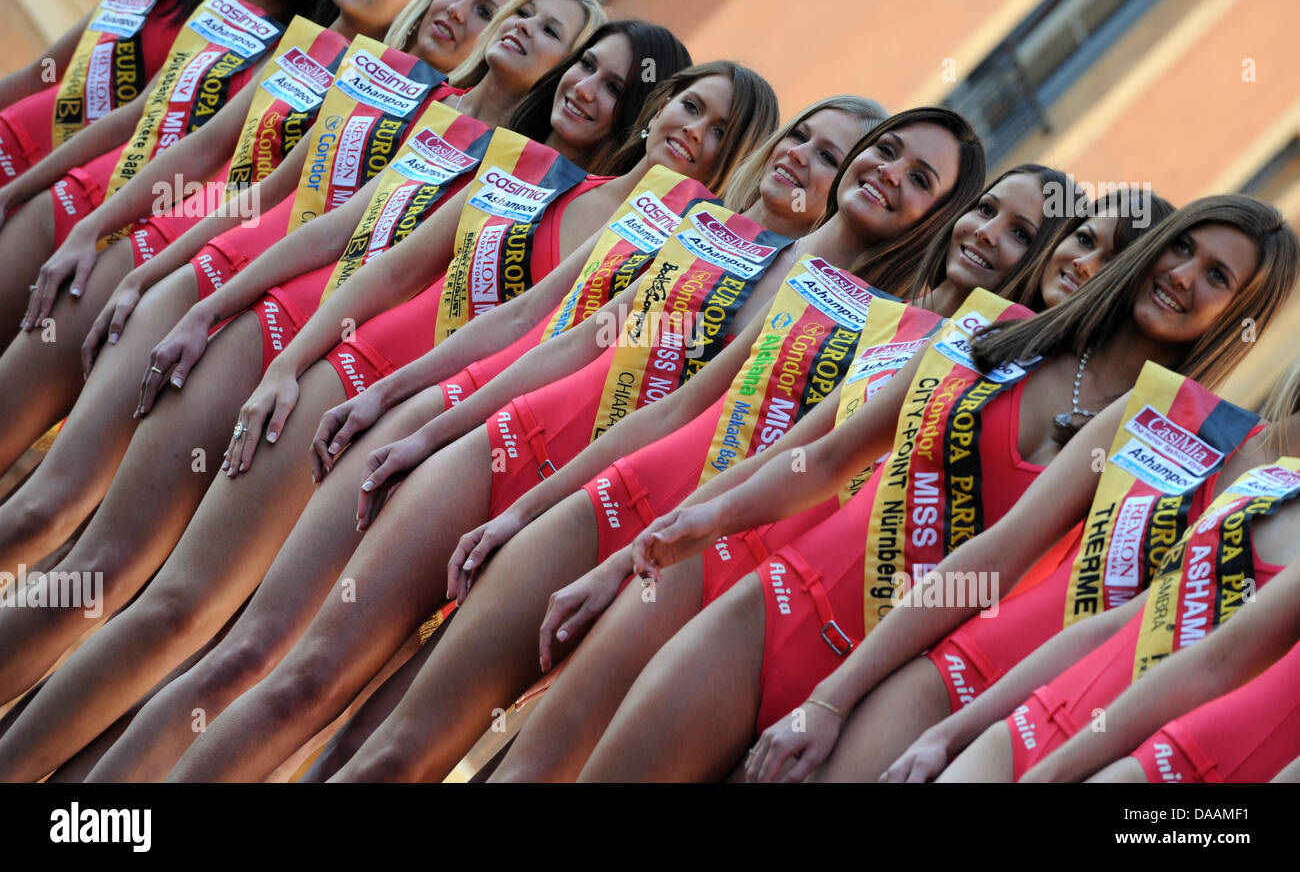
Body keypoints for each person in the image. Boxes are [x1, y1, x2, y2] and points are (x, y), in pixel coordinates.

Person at [160, 105, 984, 782]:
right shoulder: (716, 234)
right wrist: (434, 425)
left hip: (654, 556)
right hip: (535, 465)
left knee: (400, 752)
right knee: (301, 679)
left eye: (920, 179)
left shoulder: (895, 345)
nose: (884, 173)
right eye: (883, 152)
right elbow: (569, 340)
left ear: (937, 217)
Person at [49, 65, 787, 782]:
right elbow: (524, 323)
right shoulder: (603, 202)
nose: (693, 129)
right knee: (242, 649)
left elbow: (677, 412)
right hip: (447, 430)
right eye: (688, 106)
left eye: (720, 129)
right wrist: (391, 403)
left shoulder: (753, 281)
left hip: (572, 519)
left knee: (372, 743)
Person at [324, 163, 1094, 782]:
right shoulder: (847, 300)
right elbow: (689, 408)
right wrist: (545, 517)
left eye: (1021, 231)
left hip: (782, 610)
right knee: (403, 740)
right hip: (672, 532)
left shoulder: (1008, 389)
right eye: (987, 210)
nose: (989, 235)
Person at [570, 196, 1295, 782]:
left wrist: (866, 704)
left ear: (1239, 318)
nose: (1183, 276)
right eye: (1182, 249)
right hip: (783, 608)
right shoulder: (990, 334)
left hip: (934, 692)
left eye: (1217, 278)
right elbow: (822, 460)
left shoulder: (1195, 452)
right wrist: (679, 531)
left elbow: (1104, 613)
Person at [0, 0, 451, 482]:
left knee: (67, 498)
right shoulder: (298, 44)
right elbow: (185, 138)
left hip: (229, 295)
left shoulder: (402, 110)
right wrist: (102, 237)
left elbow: (303, 219)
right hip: (146, 238)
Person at [0, 0, 389, 332]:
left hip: (106, 220)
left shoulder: (295, 70)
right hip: (25, 157)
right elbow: (40, 76)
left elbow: (199, 157)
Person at [914, 362, 1300, 781]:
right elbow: (1118, 627)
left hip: (1149, 769)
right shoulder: (1264, 482)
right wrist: (952, 733)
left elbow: (1214, 668)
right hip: (1029, 724)